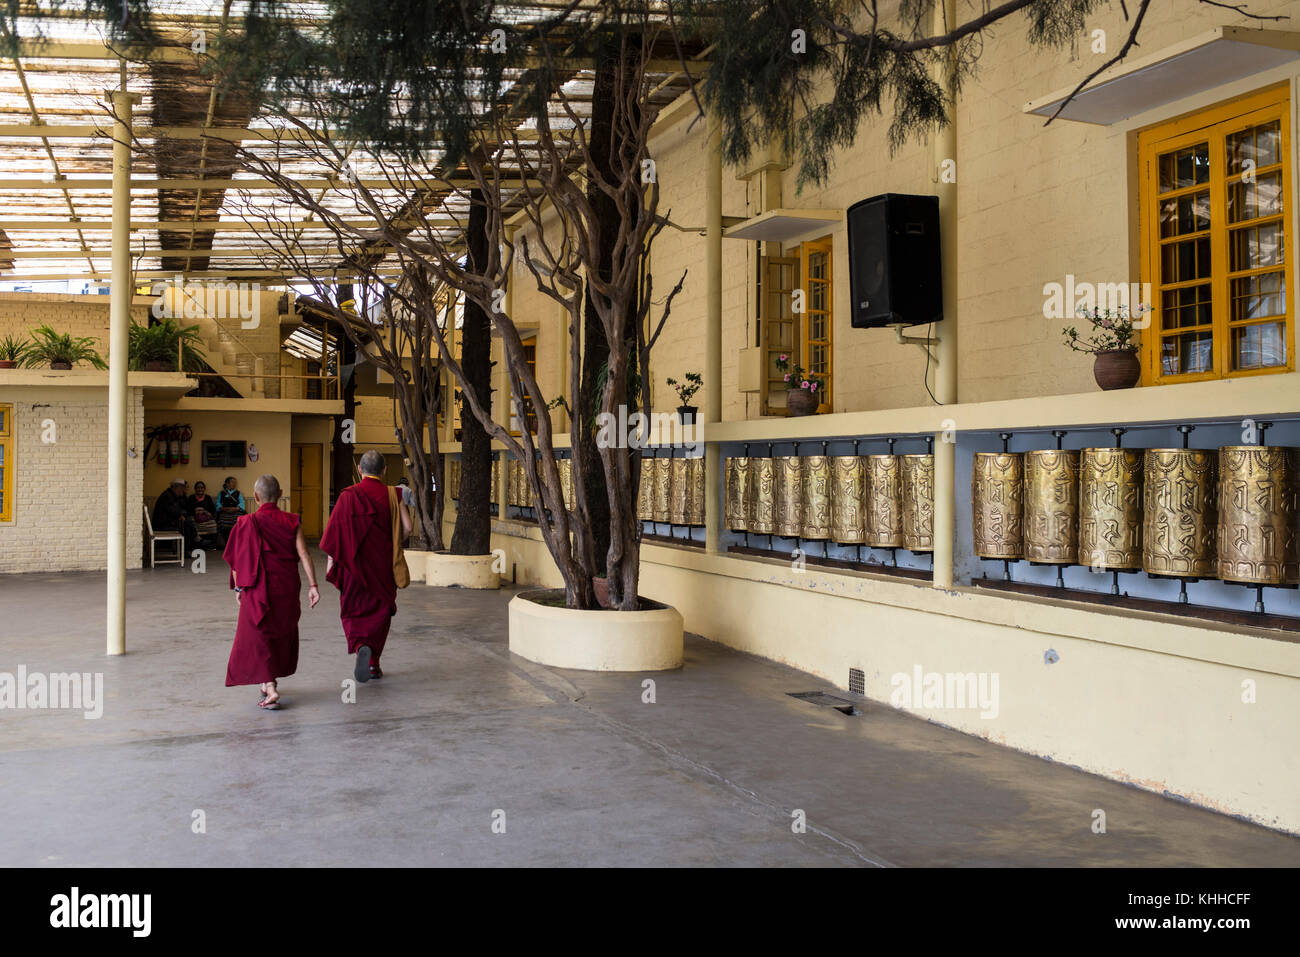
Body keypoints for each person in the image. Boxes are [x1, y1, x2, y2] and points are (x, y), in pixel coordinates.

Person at [224, 474, 320, 710]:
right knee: (277, 632)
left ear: (255, 497)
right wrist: (313, 586)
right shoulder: (292, 521)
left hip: (256, 588)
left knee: (259, 635)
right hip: (285, 587)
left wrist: (238, 587)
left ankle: (271, 686)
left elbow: (237, 560)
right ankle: (268, 682)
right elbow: (304, 554)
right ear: (279, 495)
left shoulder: (245, 522)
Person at [320, 450, 411, 682]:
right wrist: (393, 544)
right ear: (384, 470)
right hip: (382, 566)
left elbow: (334, 535)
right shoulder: (394, 494)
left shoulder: (347, 496)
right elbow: (408, 527)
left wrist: (331, 565)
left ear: (360, 470)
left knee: (353, 609)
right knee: (381, 611)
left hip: (353, 567)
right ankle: (374, 663)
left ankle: (360, 644)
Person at [152, 479, 197, 551]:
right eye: (182, 488)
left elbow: (179, 509)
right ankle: (187, 549)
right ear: (176, 488)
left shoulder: (171, 495)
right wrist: (181, 515)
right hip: (162, 525)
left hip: (167, 522)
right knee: (186, 523)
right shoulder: (167, 496)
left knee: (187, 521)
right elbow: (172, 510)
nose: (184, 490)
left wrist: (181, 514)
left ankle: (188, 547)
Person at [187, 480, 221, 549]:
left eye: (202, 487)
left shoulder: (208, 498)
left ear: (204, 489)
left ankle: (211, 545)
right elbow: (188, 509)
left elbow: (212, 509)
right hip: (195, 517)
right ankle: (197, 544)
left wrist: (205, 511)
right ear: (195, 489)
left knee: (213, 524)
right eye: (198, 488)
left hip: (206, 517)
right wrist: (195, 512)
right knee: (191, 523)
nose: (200, 489)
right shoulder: (191, 498)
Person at [216, 475, 246, 542]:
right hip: (224, 512)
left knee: (238, 522)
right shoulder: (221, 493)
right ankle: (227, 541)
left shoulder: (238, 493)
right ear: (227, 483)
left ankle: (236, 541)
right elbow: (218, 503)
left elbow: (242, 503)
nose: (234, 484)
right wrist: (224, 509)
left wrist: (235, 509)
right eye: (232, 482)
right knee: (222, 523)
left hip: (235, 512)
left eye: (235, 482)